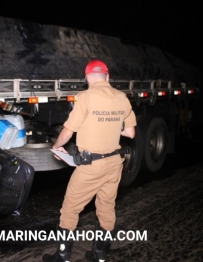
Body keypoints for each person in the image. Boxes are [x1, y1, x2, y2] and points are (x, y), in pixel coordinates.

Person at [42, 59, 136, 262]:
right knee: (106, 207)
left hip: (91, 166)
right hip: (114, 163)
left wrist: (57, 147)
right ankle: (100, 255)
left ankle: (62, 256)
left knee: (69, 209)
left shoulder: (85, 97)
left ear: (87, 78)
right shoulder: (122, 97)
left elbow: (68, 131)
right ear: (107, 76)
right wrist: (109, 125)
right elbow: (130, 132)